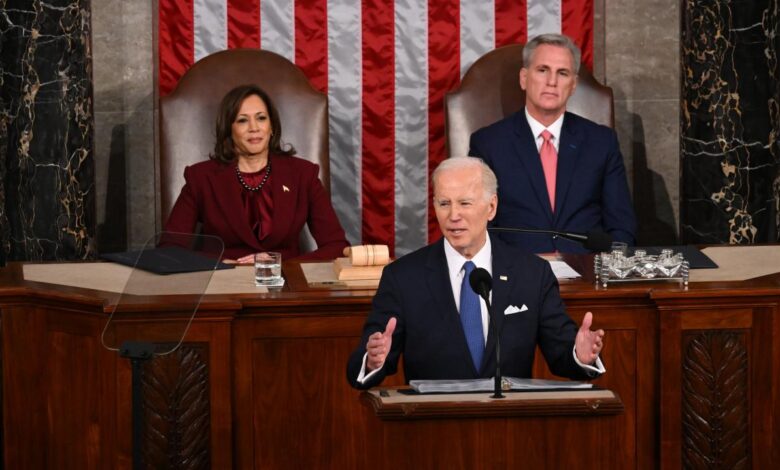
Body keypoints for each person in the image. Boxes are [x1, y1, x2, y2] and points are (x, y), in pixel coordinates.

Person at [346, 157, 605, 389]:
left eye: (465, 203)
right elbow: (366, 360)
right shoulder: (403, 277)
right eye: (444, 203)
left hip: (510, 425)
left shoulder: (531, 273)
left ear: (491, 207)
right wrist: (373, 360)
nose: (453, 215)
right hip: (432, 426)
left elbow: (561, 353)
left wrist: (580, 355)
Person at [469, 34, 636, 254]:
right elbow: (480, 225)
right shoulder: (488, 143)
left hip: (587, 275)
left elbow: (621, 228)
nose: (552, 82)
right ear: (524, 78)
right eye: (542, 70)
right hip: (518, 274)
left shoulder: (602, 142)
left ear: (573, 84)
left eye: (562, 73)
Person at [164, 84, 349, 262]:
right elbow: (169, 248)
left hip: (286, 283)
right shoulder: (201, 178)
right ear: (229, 129)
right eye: (242, 120)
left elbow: (336, 246)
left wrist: (281, 265)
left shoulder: (303, 174)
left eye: (261, 118)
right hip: (225, 284)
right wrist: (224, 263)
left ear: (272, 126)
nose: (254, 127)